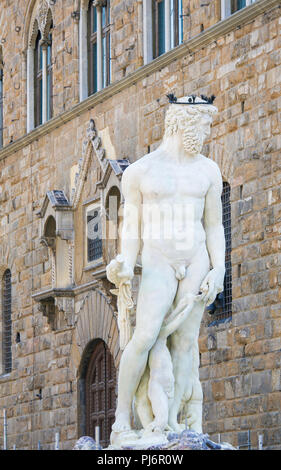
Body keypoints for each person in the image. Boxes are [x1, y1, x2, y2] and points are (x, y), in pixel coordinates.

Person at [106, 94, 225, 443]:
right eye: (201, 124)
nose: (205, 132)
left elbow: (214, 226)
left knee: (186, 343)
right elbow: (131, 228)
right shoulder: (141, 171)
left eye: (208, 125)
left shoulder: (208, 170)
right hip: (158, 259)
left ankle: (174, 420)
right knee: (144, 337)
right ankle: (122, 417)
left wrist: (218, 268)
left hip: (196, 259)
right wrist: (126, 262)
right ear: (178, 122)